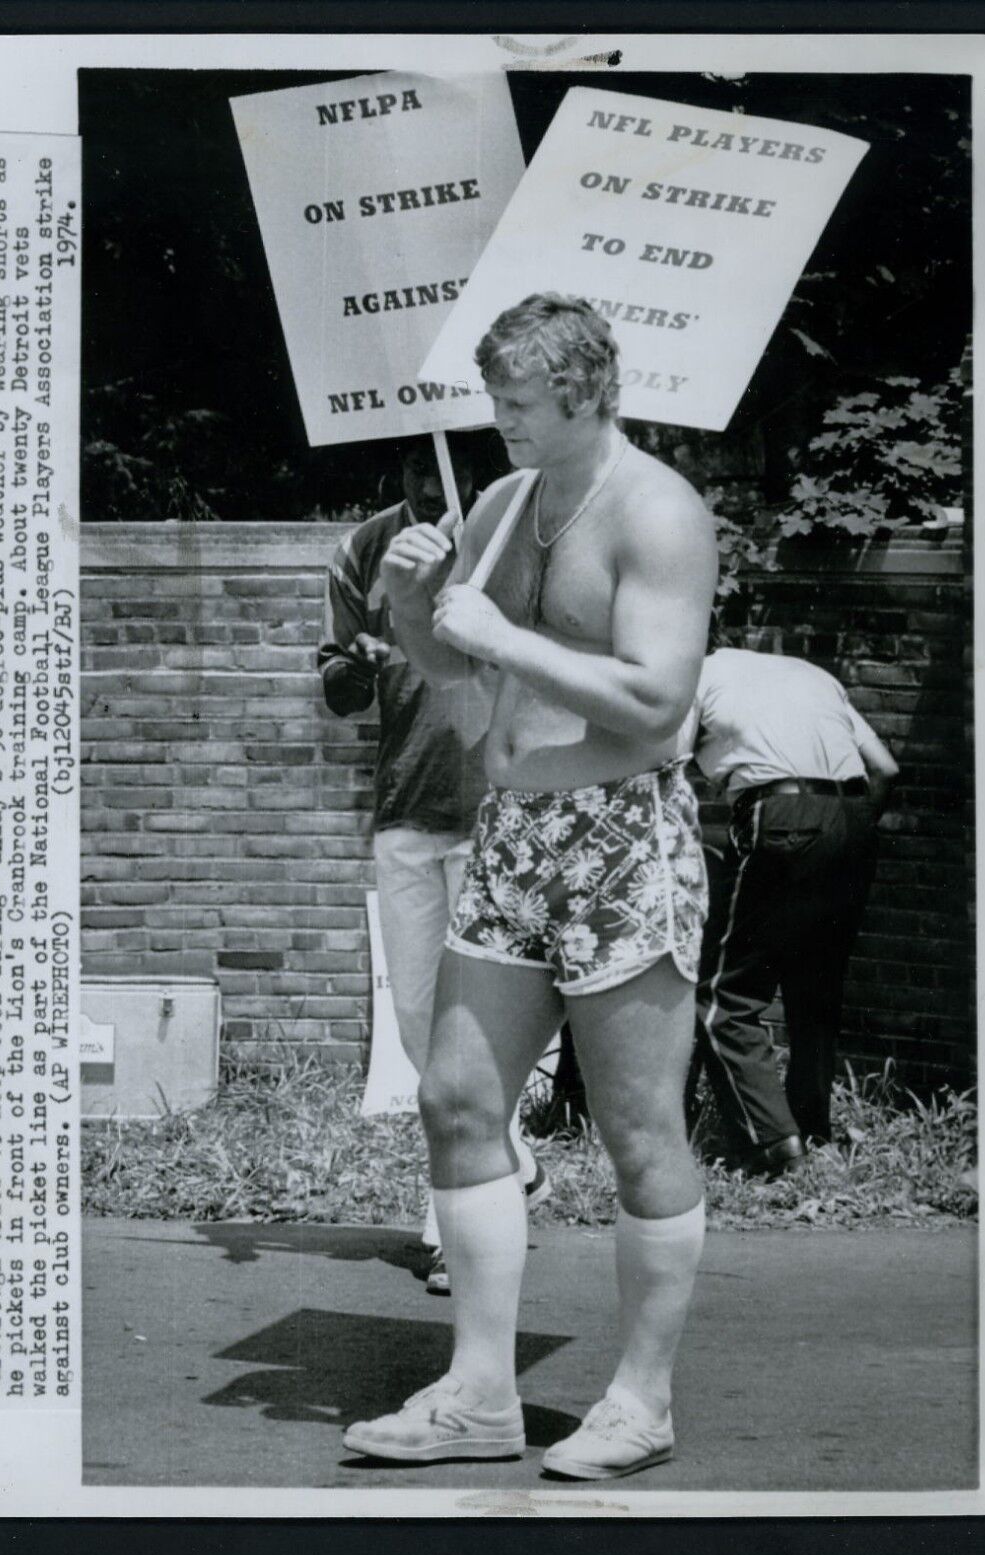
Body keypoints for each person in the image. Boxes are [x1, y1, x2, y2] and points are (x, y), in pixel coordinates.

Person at [341, 293, 717, 1480]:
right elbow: (449, 656)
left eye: (518, 404)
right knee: (456, 1100)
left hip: (621, 838)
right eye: (494, 398)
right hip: (512, 838)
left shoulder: (660, 512)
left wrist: (502, 642)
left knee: (637, 1128)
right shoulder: (504, 502)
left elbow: (657, 703)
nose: (497, 419)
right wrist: (411, 599)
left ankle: (640, 1402)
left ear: (585, 395)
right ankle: (480, 1396)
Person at [317, 436, 550, 1296]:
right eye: (413, 464)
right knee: (418, 1023)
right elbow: (336, 687)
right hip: (407, 811)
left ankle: (454, 1219)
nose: (428, 481)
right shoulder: (365, 548)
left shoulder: (526, 532)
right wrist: (361, 663)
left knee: (483, 1028)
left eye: (446, 464)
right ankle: (511, 1161)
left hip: (502, 810)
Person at [688, 645, 899, 1174]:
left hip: (778, 813)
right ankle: (812, 1128)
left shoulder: (696, 673)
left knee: (722, 998)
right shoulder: (813, 673)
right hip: (854, 818)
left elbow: (663, 764)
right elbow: (886, 768)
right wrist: (838, 832)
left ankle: (773, 1144)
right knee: (816, 988)